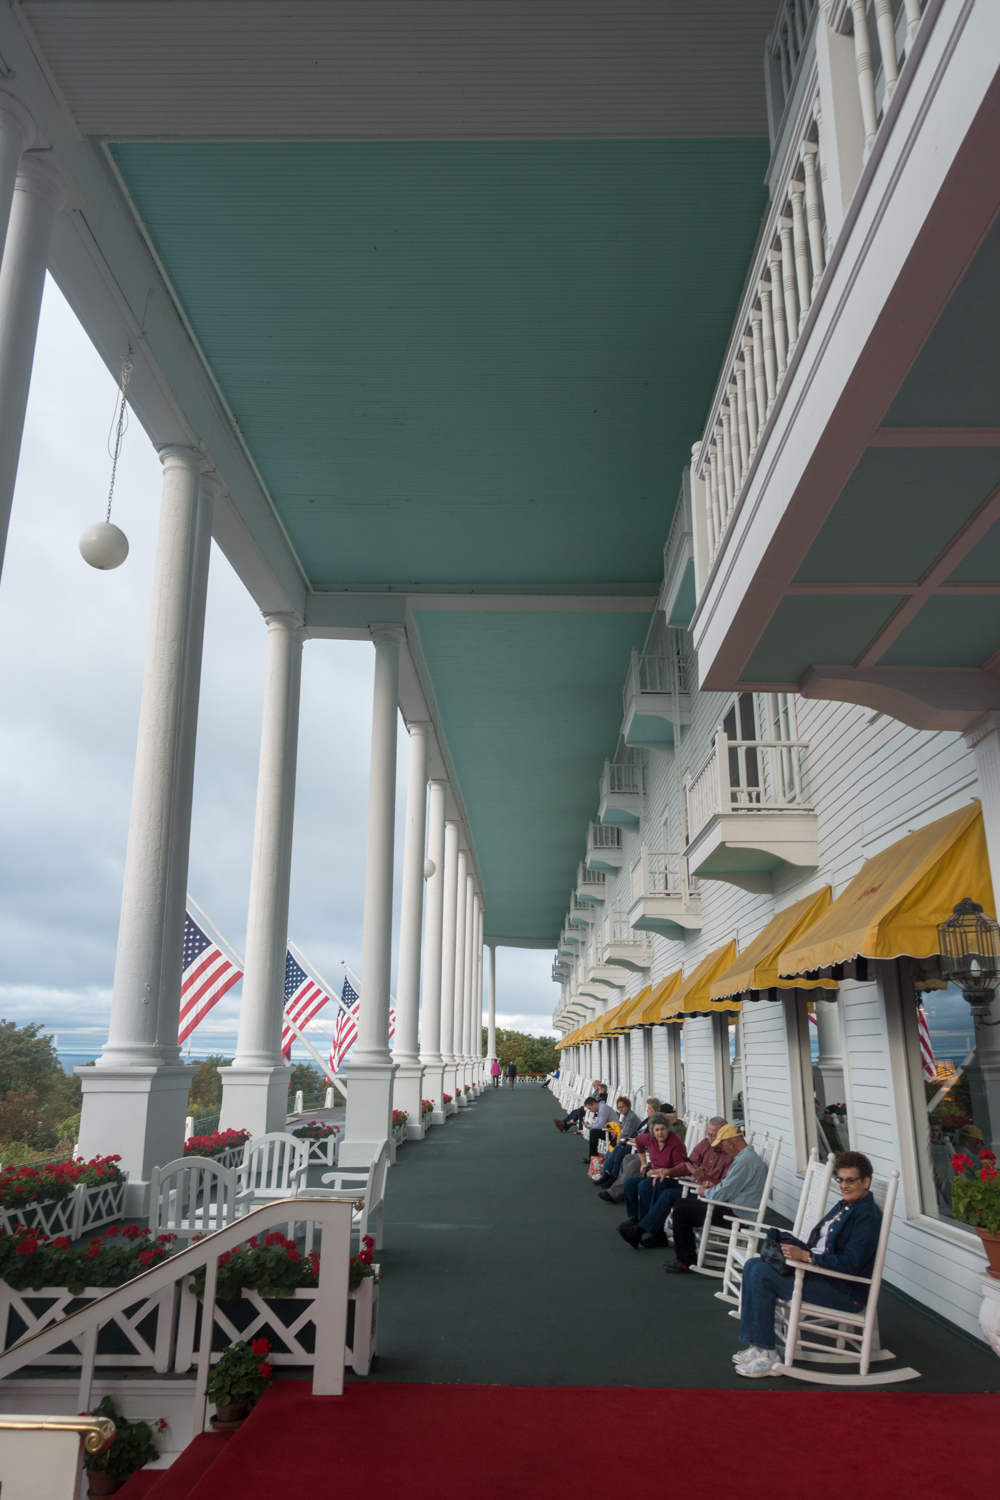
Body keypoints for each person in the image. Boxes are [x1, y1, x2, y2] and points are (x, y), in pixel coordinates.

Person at [733, 1150, 883, 1378]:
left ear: (866, 1182)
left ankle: (767, 1354)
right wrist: (797, 1251)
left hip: (844, 1290)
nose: (844, 1185)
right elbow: (821, 1244)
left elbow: (852, 1263)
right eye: (841, 1179)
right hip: (820, 1275)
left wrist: (808, 1258)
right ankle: (757, 1345)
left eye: (850, 1180)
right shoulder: (845, 1205)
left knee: (762, 1274)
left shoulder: (867, 1215)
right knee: (754, 1264)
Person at [662, 1124, 769, 1274]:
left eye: (723, 1146)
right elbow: (729, 1186)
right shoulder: (745, 1158)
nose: (722, 1150)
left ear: (730, 1143)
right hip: (731, 1207)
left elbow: (721, 1194)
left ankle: (685, 1261)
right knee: (681, 1202)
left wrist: (705, 1192)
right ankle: (687, 1253)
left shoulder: (745, 1162)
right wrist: (713, 1186)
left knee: (681, 1212)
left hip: (736, 1215)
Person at [620, 1115, 731, 1245]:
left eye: (714, 1135)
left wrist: (703, 1175)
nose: (710, 1138)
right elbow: (686, 1165)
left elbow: (726, 1186)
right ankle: (657, 1234)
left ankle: (639, 1230)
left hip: (707, 1195)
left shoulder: (730, 1155)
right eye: (709, 1134)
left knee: (668, 1194)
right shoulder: (705, 1144)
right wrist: (667, 1171)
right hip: (694, 1186)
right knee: (660, 1182)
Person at [617, 1114, 689, 1246]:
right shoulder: (649, 1139)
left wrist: (663, 1171)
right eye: (657, 1130)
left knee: (644, 1186)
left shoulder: (675, 1143)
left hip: (669, 1179)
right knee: (629, 1184)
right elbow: (638, 1141)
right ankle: (637, 1219)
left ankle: (646, 1227)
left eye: (663, 1129)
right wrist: (644, 1163)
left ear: (668, 1129)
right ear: (652, 1131)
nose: (660, 1132)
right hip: (653, 1176)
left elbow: (683, 1167)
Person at [594, 1098, 663, 1197]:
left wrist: (636, 1141)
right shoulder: (649, 1120)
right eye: (619, 1108)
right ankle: (615, 1182)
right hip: (639, 1146)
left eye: (649, 1108)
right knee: (624, 1155)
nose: (647, 1110)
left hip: (644, 1150)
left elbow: (650, 1139)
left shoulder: (654, 1122)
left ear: (656, 1110)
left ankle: (613, 1186)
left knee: (623, 1154)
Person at [584, 1094, 617, 1160]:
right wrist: (590, 1126)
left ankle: (593, 1157)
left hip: (614, 1133)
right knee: (593, 1131)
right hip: (610, 1130)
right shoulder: (601, 1107)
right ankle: (593, 1156)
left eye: (590, 1108)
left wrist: (589, 1126)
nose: (590, 1110)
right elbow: (598, 1123)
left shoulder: (603, 1108)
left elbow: (600, 1125)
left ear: (594, 1104)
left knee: (593, 1132)